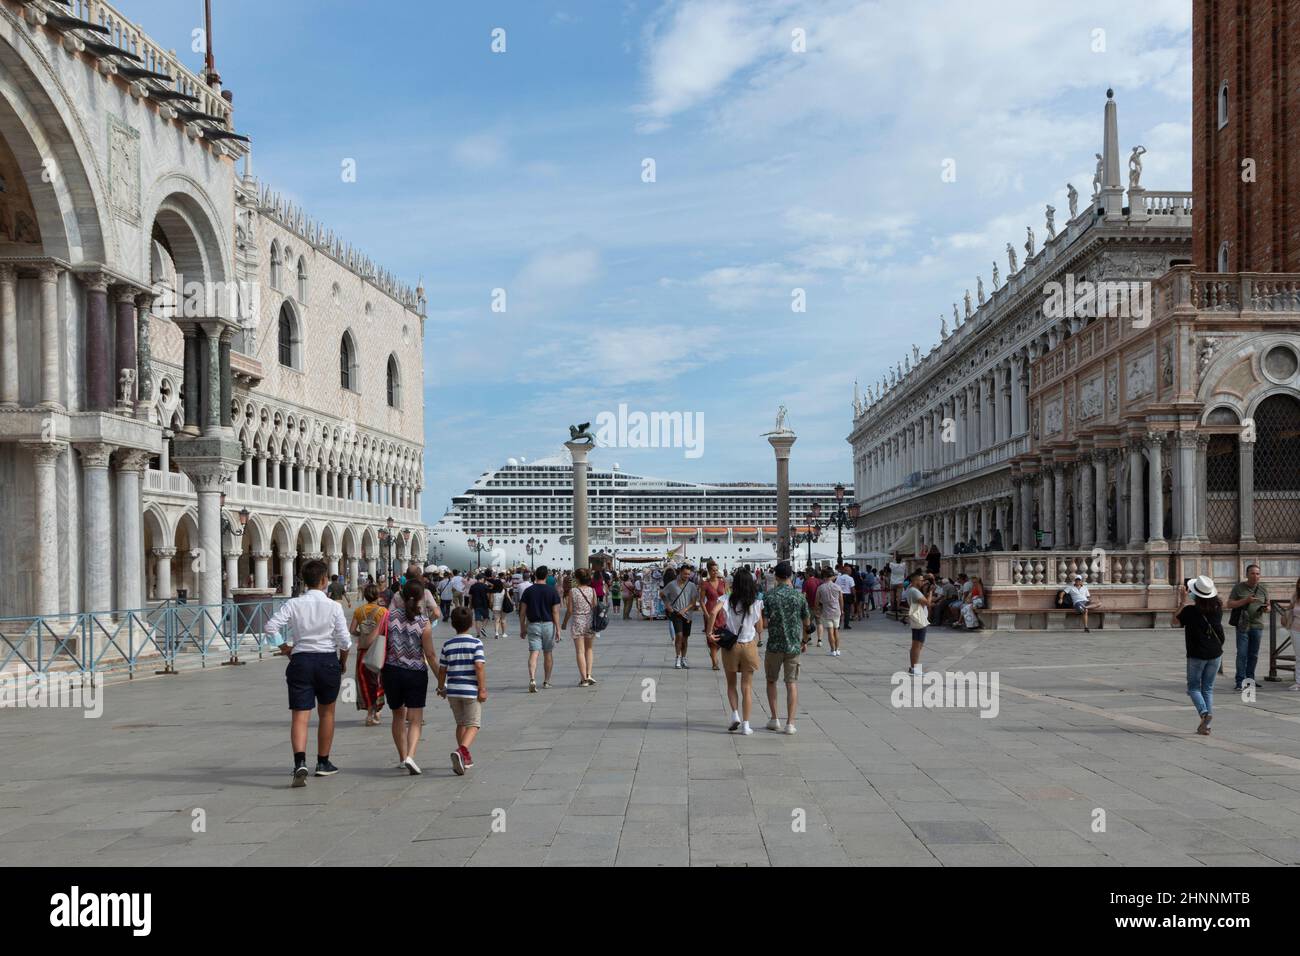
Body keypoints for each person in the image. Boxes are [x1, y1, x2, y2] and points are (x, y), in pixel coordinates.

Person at [263, 559, 352, 786]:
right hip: (326, 661)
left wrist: (285, 648)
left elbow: (270, 627)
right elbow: (344, 641)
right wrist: (342, 662)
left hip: (301, 660)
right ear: (324, 580)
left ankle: (299, 762)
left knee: (300, 715)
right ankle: (323, 763)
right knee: (327, 714)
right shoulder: (334, 606)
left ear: (304, 580)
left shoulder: (294, 604)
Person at [383, 579, 437, 775]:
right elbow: (430, 655)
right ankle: (411, 756)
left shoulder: (390, 616)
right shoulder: (424, 622)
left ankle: (402, 756)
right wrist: (441, 679)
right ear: (422, 597)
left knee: (398, 715)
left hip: (391, 671)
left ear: (402, 595)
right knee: (415, 719)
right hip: (415, 673)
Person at [436, 606, 487, 774]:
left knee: (461, 724)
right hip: (470, 690)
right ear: (471, 623)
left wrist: (441, 686)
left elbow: (442, 669)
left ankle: (464, 757)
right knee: (474, 724)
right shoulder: (476, 643)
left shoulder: (447, 645)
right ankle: (462, 750)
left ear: (453, 624)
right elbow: (479, 666)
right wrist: (482, 689)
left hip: (453, 690)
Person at [762, 561, 810, 735]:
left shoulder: (769, 596)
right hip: (793, 645)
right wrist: (804, 641)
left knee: (771, 681)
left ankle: (774, 719)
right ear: (791, 576)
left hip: (774, 645)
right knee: (791, 683)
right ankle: (790, 723)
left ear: (776, 576)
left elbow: (765, 623)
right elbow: (807, 623)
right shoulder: (799, 597)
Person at [1173, 576, 1226, 736]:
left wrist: (1182, 601)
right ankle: (1205, 726)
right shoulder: (1218, 609)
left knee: (1194, 687)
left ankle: (1204, 713)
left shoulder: (1190, 611)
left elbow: (1174, 621)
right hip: (1215, 654)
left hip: (1197, 655)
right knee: (1208, 688)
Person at [721, 567, 764, 735]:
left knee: (731, 684)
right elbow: (759, 627)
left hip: (731, 645)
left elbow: (714, 612)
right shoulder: (756, 602)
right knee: (747, 687)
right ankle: (746, 725)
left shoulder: (727, 599)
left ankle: (735, 715)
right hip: (749, 645)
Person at [350, 583, 388, 726]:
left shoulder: (359, 611)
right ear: (378, 596)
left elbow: (352, 630)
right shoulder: (383, 611)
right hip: (378, 650)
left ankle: (370, 712)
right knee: (378, 680)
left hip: (363, 650)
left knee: (365, 681)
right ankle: (377, 710)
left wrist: (362, 634)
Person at [1225, 564, 1269, 690]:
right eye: (1252, 573)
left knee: (1253, 654)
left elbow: (1268, 605)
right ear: (1247, 575)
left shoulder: (1263, 589)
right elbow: (1229, 604)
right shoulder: (1239, 588)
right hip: (1242, 625)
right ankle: (1240, 681)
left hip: (1257, 625)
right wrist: (1245, 601)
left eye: (1257, 574)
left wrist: (1267, 608)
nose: (1255, 576)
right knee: (1242, 654)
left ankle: (1250, 679)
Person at [520, 565, 561, 692]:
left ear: (536, 575)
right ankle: (546, 681)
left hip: (533, 624)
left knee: (534, 652)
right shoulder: (552, 591)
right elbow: (555, 612)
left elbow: (522, 612)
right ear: (546, 576)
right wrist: (558, 629)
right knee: (548, 653)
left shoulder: (528, 591)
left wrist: (522, 628)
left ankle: (532, 678)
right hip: (548, 624)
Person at [562, 567, 599, 686]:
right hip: (589, 621)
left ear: (577, 579)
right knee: (589, 649)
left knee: (580, 651)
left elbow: (569, 610)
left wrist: (564, 623)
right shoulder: (592, 590)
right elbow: (595, 607)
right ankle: (588, 674)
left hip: (578, 620)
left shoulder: (573, 591)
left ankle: (584, 679)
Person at [661, 564, 700, 669]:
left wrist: (685, 609)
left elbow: (694, 601)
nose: (687, 576)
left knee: (685, 639)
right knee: (679, 635)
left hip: (687, 615)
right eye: (685, 574)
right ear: (680, 573)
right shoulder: (672, 584)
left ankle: (684, 658)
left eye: (688, 574)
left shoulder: (691, 585)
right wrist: (667, 605)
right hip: (676, 613)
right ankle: (677, 657)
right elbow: (662, 594)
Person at [700, 560, 727, 671]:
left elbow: (727, 596)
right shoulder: (705, 584)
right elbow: (701, 600)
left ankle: (714, 654)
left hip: (721, 612)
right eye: (713, 570)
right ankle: (715, 663)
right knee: (711, 637)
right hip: (710, 609)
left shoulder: (723, 582)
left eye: (716, 570)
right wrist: (706, 614)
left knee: (722, 637)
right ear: (709, 571)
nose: (715, 572)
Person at [904, 570, 933, 676]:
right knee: (917, 644)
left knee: (916, 644)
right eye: (921, 580)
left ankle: (913, 667)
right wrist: (930, 593)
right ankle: (915, 668)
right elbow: (927, 603)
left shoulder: (911, 589)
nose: (923, 582)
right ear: (915, 580)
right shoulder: (915, 591)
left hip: (917, 616)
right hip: (919, 617)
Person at [815, 567, 842, 656]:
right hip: (837, 611)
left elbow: (817, 601)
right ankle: (837, 649)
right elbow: (841, 600)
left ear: (824, 576)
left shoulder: (820, 588)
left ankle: (832, 650)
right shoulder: (837, 587)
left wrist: (817, 610)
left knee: (830, 631)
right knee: (836, 630)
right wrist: (842, 609)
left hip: (826, 611)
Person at [1286, 578, 1300, 692]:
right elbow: (1289, 609)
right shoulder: (1295, 597)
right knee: (1299, 657)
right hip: (1296, 629)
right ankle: (1298, 682)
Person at [468, 572, 492, 642]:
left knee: (477, 619)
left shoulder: (473, 586)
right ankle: (483, 628)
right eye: (483, 579)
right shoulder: (485, 586)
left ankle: (478, 633)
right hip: (484, 604)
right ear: (481, 579)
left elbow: (470, 597)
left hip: (476, 605)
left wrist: (470, 605)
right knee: (486, 617)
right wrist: (490, 603)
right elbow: (488, 596)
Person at [835, 563, 856, 631]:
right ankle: (846, 624)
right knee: (847, 611)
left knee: (839, 610)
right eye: (850, 571)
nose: (851, 572)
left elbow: (836, 587)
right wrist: (854, 596)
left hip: (840, 595)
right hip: (847, 595)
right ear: (847, 571)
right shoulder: (850, 578)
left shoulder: (839, 578)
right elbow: (852, 588)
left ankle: (838, 625)